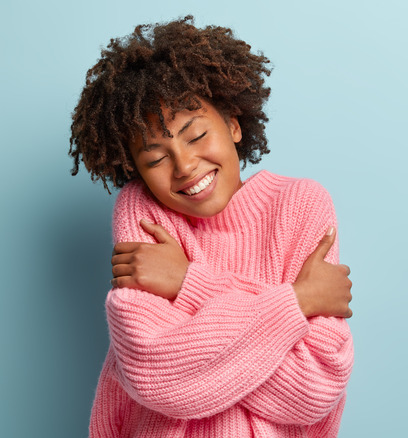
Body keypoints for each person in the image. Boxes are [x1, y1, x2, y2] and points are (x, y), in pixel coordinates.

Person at [69, 16, 354, 438]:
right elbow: (154, 373)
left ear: (234, 124)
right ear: (136, 171)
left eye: (195, 134)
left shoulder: (302, 205)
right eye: (155, 159)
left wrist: (188, 282)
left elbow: (314, 385)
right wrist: (298, 302)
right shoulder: (143, 210)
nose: (184, 166)